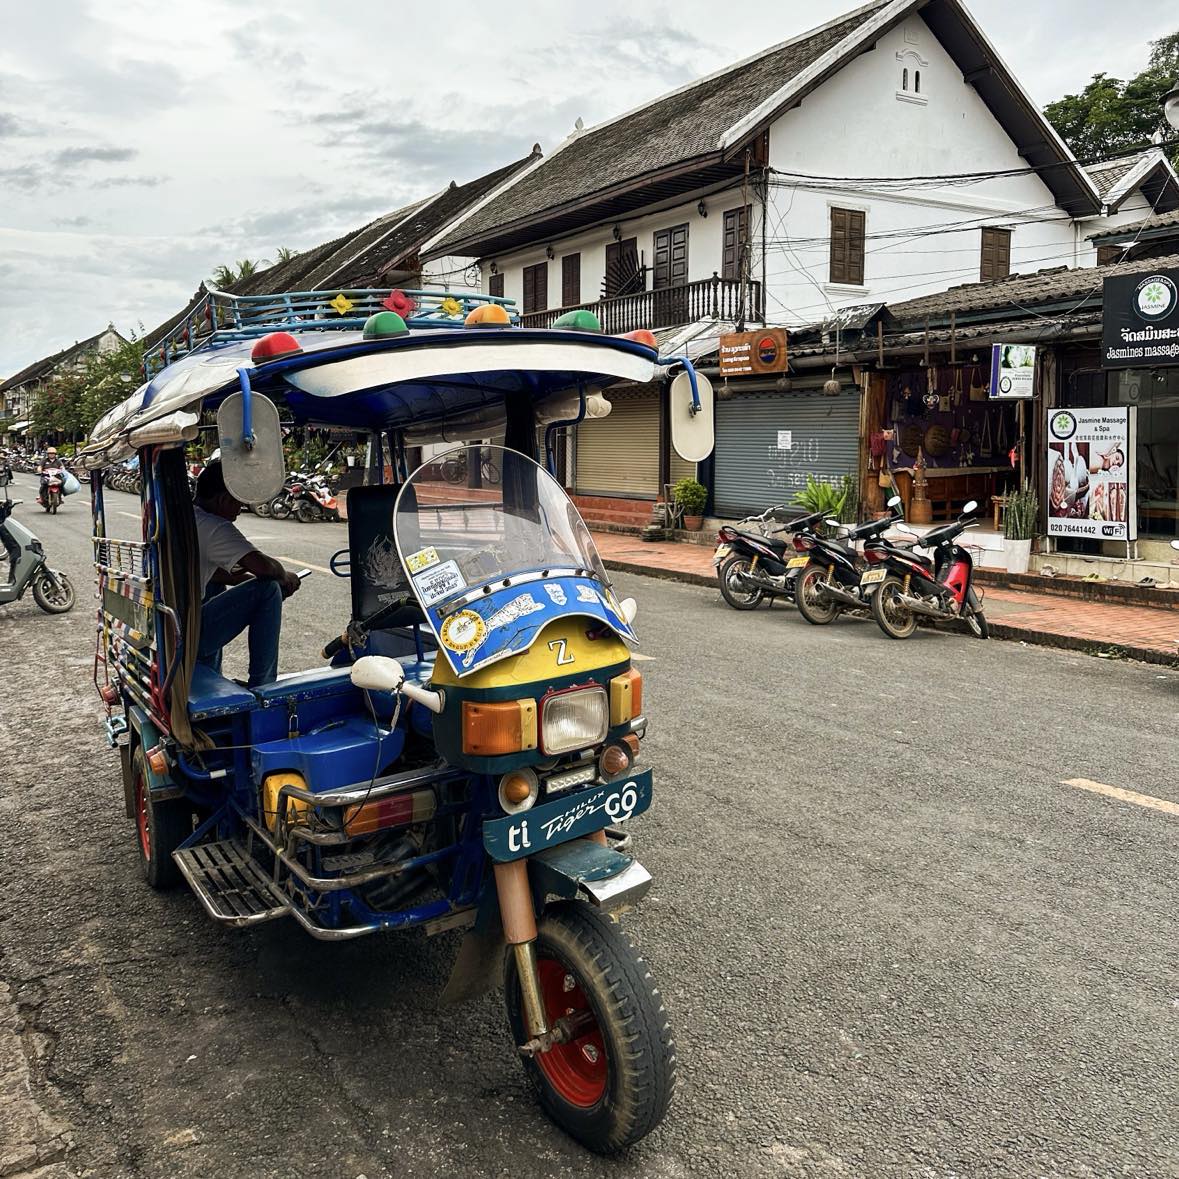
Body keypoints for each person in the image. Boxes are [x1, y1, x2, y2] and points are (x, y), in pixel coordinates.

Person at [193, 461, 301, 687]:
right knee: (270, 589)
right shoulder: (213, 526)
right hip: (189, 634)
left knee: (218, 588)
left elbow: (215, 575)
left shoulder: (189, 516)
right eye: (238, 502)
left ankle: (208, 673)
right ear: (223, 499)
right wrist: (283, 575)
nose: (240, 510)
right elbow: (263, 566)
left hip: (174, 624)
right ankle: (263, 685)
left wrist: (250, 582)